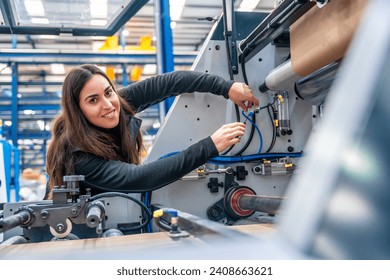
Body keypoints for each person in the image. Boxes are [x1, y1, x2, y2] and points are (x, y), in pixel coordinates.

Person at [45, 64, 259, 199]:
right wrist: (210, 145)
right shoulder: (77, 157)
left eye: (108, 92)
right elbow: (142, 178)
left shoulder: (118, 103)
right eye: (93, 100)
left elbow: (167, 83)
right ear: (78, 110)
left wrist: (226, 87)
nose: (108, 104)